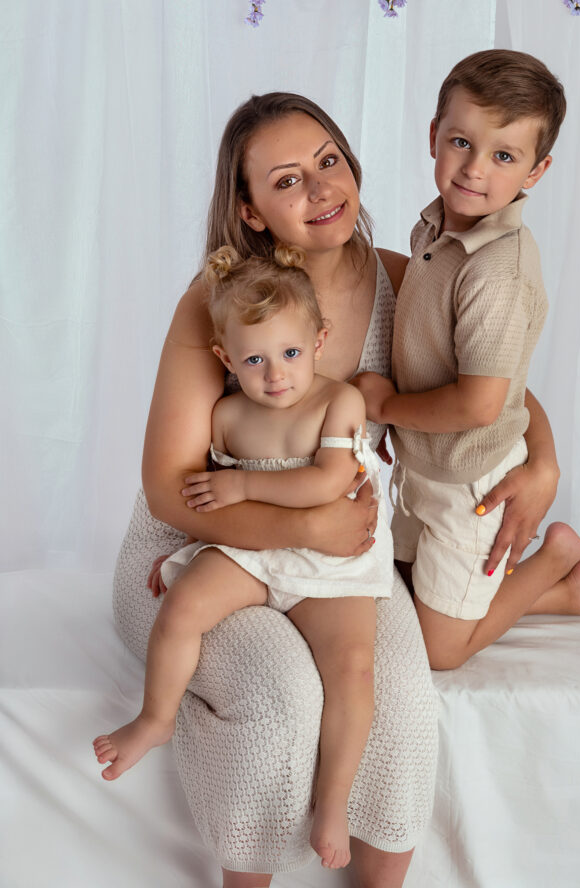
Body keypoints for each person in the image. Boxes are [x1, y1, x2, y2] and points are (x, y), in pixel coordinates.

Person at [111, 90, 560, 887]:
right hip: (200, 550)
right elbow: (171, 491)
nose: (320, 188)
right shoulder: (218, 305)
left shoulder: (402, 279)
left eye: (327, 162)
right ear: (249, 212)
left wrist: (544, 461)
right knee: (284, 701)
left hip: (335, 557)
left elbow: (498, 383)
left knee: (400, 701)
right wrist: (305, 530)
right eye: (285, 181)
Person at [354, 50, 580, 673]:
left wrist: (387, 405)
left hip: (472, 479)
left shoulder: (496, 269)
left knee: (438, 649)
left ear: (537, 170)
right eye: (461, 142)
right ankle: (562, 589)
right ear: (432, 137)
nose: (475, 169)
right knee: (390, 597)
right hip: (427, 463)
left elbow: (481, 402)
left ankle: (558, 560)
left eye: (504, 156)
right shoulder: (436, 230)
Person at [96, 245, 394, 871]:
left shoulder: (339, 402)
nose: (275, 374)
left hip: (329, 564)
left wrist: (245, 485)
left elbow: (323, 484)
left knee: (354, 670)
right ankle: (156, 717)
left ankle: (333, 804)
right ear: (225, 358)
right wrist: (188, 552)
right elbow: (202, 496)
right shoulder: (228, 416)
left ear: (320, 340)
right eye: (254, 359)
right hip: (253, 551)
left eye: (289, 353)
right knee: (182, 606)